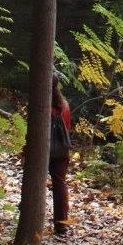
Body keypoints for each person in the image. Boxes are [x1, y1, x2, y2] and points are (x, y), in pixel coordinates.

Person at [49, 75, 73, 236]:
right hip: (62, 150)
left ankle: (31, 219)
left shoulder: (41, 105)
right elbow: (68, 127)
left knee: (34, 182)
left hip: (43, 150)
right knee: (60, 185)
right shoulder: (65, 105)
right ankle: (61, 225)